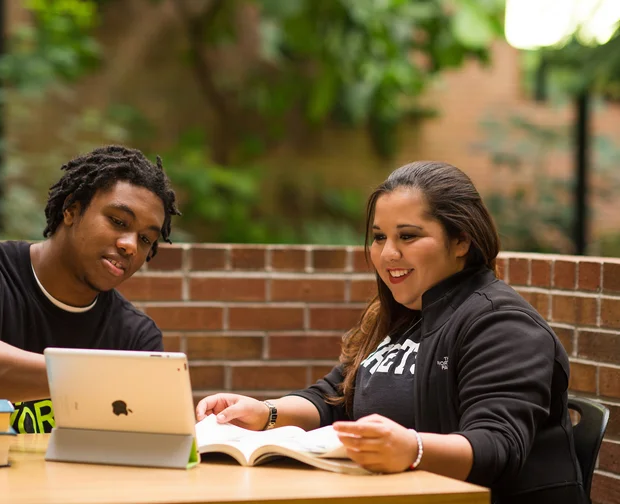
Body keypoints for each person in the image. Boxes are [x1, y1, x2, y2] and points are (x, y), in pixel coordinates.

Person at [196, 161, 584, 504]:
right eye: (380, 237)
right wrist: (266, 412)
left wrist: (411, 449)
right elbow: (333, 398)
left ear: (462, 240)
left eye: (408, 236)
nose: (387, 254)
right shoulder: (402, 315)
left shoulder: (501, 323)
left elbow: (497, 448)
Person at [0, 145, 180, 434]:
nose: (130, 245)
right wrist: (104, 376)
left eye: (146, 239)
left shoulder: (135, 336)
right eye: (117, 221)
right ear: (71, 210)